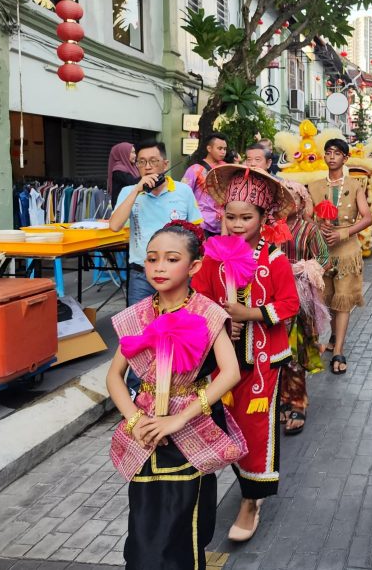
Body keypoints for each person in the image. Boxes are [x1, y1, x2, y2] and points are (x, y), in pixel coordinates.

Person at [105, 221, 245, 569]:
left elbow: (230, 373)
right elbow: (114, 377)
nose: (159, 267)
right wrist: (135, 419)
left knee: (183, 533)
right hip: (145, 434)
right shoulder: (138, 315)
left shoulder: (209, 313)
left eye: (171, 259)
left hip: (190, 431)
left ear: (194, 266)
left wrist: (178, 418)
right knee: (143, 531)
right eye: (152, 259)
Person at [191, 165, 300, 541]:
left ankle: (250, 501)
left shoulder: (274, 259)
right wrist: (221, 319)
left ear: (263, 217)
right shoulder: (211, 257)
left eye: (246, 218)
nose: (237, 225)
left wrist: (249, 313)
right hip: (221, 360)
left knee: (255, 427)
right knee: (219, 422)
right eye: (230, 216)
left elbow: (289, 304)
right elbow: (198, 298)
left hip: (263, 359)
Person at [110, 140, 203, 305]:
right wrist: (136, 191)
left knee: (177, 325)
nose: (147, 167)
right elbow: (115, 226)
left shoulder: (183, 191)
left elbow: (196, 231)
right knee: (140, 327)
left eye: (153, 161)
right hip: (142, 274)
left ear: (165, 164)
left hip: (177, 273)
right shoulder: (128, 192)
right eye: (141, 162)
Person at [308, 138, 372, 375]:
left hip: (346, 251)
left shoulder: (356, 185)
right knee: (325, 299)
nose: (332, 156)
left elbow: (366, 217)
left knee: (343, 301)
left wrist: (344, 232)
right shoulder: (313, 186)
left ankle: (339, 350)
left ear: (345, 158)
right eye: (328, 152)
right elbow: (306, 216)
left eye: (337, 153)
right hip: (322, 251)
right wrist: (317, 227)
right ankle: (333, 338)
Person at [279, 180, 331, 436]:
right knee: (275, 351)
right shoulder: (267, 227)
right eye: (283, 196)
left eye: (293, 196)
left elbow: (324, 259)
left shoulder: (309, 229)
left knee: (295, 351)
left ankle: (297, 401)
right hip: (271, 296)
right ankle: (282, 398)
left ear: (301, 203)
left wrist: (301, 268)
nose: (288, 201)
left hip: (299, 298)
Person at [181, 132, 229, 238]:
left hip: (224, 225)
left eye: (225, 149)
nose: (223, 152)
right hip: (201, 223)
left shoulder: (227, 168)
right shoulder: (195, 169)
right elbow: (183, 194)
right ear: (209, 148)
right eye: (219, 148)